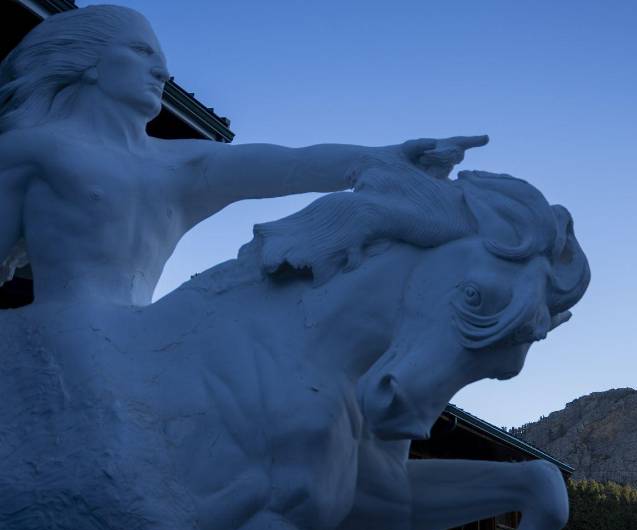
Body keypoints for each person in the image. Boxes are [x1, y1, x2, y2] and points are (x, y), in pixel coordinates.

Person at [0, 4, 486, 306]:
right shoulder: (34, 149)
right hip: (61, 342)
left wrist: (391, 157)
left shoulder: (181, 164)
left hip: (136, 338)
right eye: (141, 52)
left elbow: (294, 163)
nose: (162, 72)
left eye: (162, 60)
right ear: (88, 63)